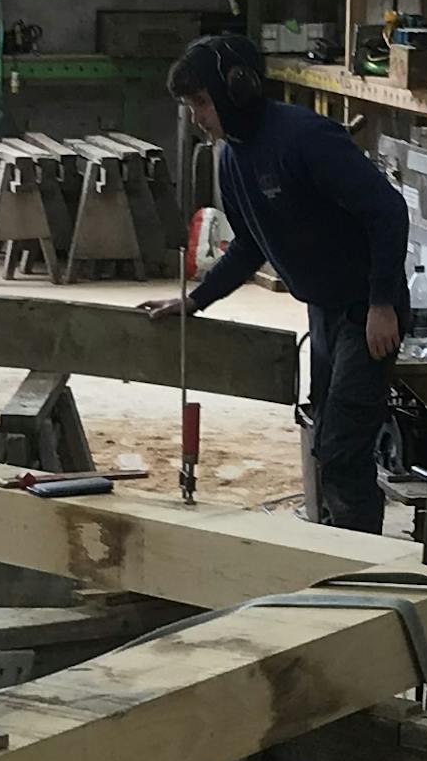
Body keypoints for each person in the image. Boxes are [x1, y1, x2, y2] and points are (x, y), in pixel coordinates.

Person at [141, 32, 412, 533]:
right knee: (324, 434)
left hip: (366, 311)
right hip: (326, 311)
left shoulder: (305, 138)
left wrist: (382, 303)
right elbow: (248, 244)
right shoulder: (233, 157)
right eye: (190, 105)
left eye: (201, 102)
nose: (197, 116)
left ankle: (362, 572)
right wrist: (196, 300)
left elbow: (388, 211)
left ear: (236, 89)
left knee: (342, 450)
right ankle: (338, 548)